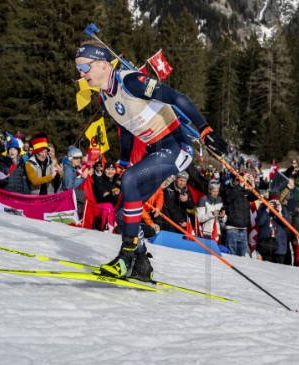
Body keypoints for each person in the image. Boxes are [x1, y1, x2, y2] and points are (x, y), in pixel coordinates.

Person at [75, 41, 229, 280]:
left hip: (176, 145)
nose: (81, 74)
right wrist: (125, 160)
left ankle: (125, 258)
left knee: (131, 180)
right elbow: (126, 129)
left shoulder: (130, 82)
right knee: (122, 215)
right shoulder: (105, 98)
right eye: (78, 69)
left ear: (104, 64)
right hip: (154, 151)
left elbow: (177, 97)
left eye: (84, 67)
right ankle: (142, 263)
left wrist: (204, 129)